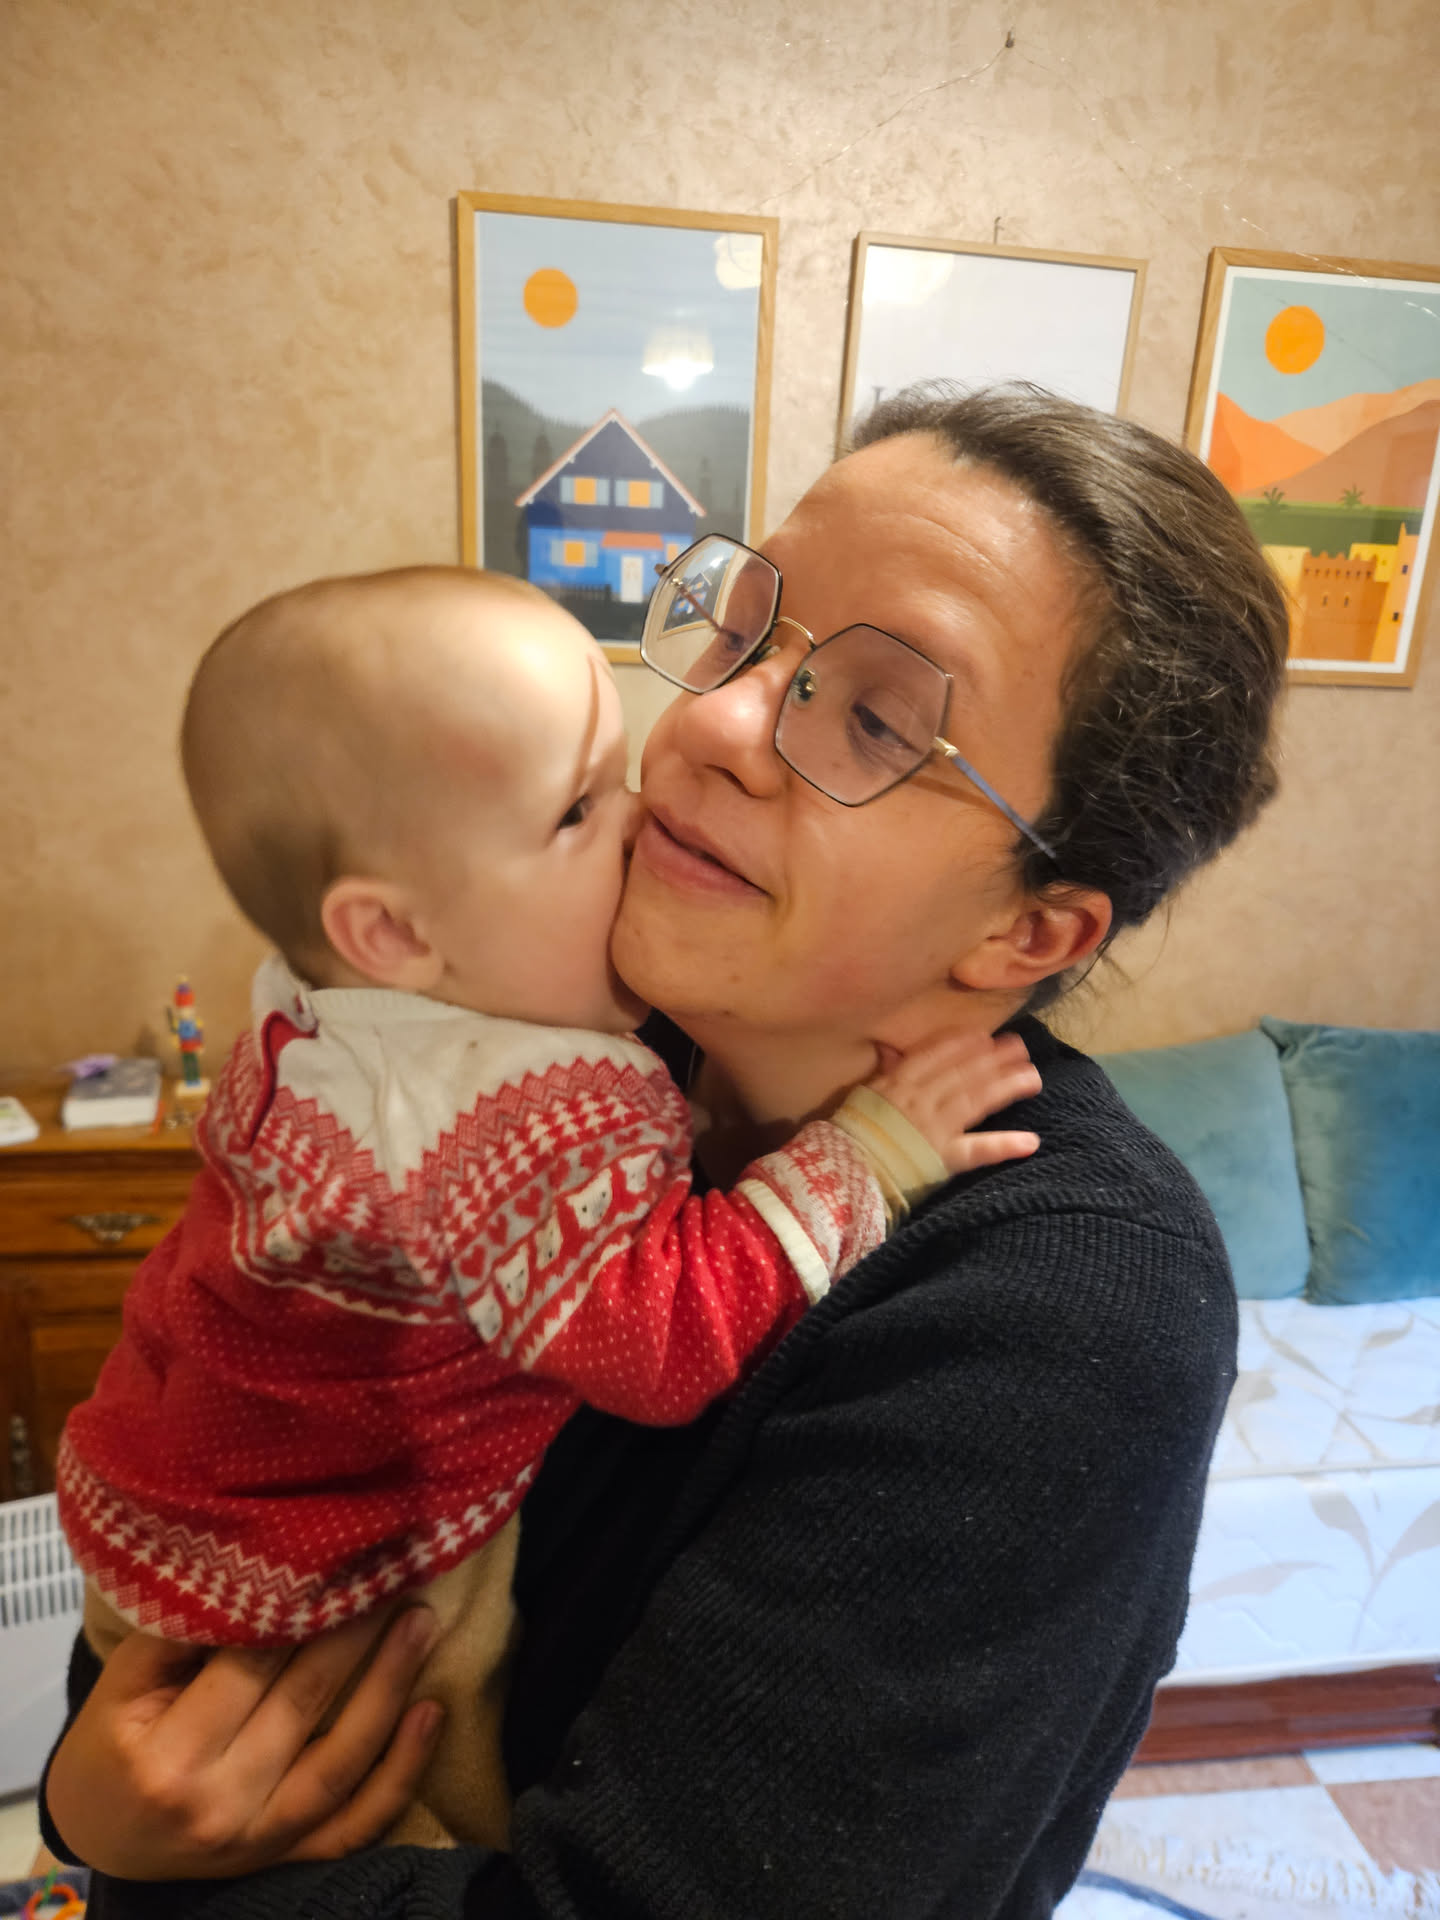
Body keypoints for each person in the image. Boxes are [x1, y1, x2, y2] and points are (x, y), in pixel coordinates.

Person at [42, 385, 1290, 1920]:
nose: (707, 725)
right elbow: (220, 1455)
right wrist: (90, 1790)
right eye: (749, 631)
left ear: (1031, 932)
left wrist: (147, 1874)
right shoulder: (557, 1052)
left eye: (877, 719)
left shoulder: (1067, 1304)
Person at [55, 565, 1040, 1854]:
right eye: (579, 809)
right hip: (325, 1589)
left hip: (169, 1512)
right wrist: (873, 1152)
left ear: (1040, 927)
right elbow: (660, 1339)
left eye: (876, 719)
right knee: (432, 1811)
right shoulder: (506, 1113)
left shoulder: (330, 1014)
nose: (647, 812)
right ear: (392, 935)